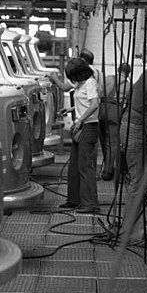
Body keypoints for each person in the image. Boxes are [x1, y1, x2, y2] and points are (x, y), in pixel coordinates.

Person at [119, 47, 147, 242]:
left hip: (136, 127)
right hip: (135, 129)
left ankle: (133, 227)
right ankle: (131, 232)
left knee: (140, 181)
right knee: (137, 182)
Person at [50, 57, 100, 213]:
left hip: (88, 127)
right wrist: (71, 109)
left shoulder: (90, 82)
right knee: (74, 166)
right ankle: (74, 200)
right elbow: (84, 102)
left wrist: (80, 121)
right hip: (81, 126)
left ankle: (90, 204)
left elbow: (94, 104)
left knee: (85, 167)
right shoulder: (81, 83)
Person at [99, 63, 131, 180]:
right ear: (128, 73)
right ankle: (107, 171)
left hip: (101, 110)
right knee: (112, 143)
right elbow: (127, 104)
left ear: (118, 70)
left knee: (102, 140)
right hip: (115, 113)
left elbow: (100, 93)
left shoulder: (109, 78)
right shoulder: (128, 86)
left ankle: (104, 164)